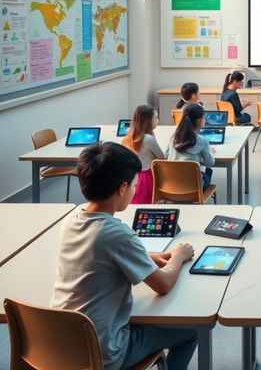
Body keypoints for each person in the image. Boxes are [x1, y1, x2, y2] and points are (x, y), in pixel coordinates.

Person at [51, 142, 197, 370]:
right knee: (189, 333)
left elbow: (98, 254)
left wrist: (146, 256)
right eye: (135, 186)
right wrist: (179, 255)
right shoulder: (117, 234)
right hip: (104, 352)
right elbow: (164, 284)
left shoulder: (72, 219)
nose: (135, 190)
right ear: (122, 188)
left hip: (62, 345)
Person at [122, 104, 165, 204]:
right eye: (156, 118)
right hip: (147, 179)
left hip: (133, 176)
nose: (158, 120)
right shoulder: (148, 139)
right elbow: (162, 158)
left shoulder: (129, 134)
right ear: (148, 121)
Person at [166, 103, 215, 190]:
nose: (205, 120)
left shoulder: (173, 137)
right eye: (204, 117)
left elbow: (166, 156)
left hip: (172, 185)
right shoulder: (202, 140)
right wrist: (211, 152)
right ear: (199, 120)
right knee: (208, 172)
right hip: (193, 188)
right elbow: (209, 163)